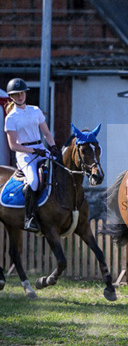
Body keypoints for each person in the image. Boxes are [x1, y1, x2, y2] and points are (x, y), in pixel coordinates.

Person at [4, 78, 60, 232]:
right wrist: (34, 151)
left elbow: (46, 133)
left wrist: (53, 146)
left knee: (59, 166)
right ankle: (30, 217)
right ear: (11, 97)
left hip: (40, 147)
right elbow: (13, 145)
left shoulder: (35, 110)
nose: (20, 96)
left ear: (25, 93)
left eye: (22, 93)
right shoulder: (11, 118)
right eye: (16, 94)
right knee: (34, 181)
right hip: (24, 154)